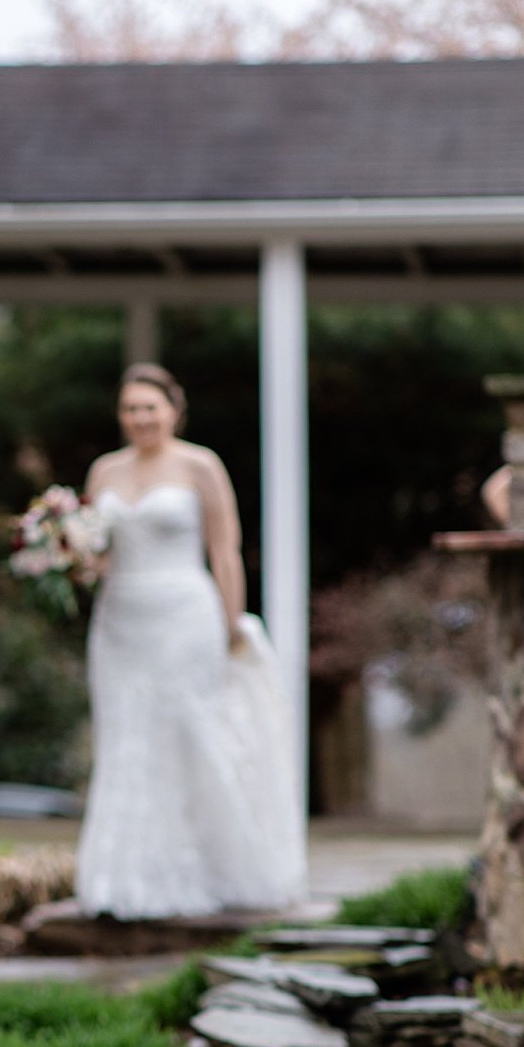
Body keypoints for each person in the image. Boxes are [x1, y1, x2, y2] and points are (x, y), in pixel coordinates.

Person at [74, 362, 304, 919]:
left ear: (174, 410)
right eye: (130, 409)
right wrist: (71, 556)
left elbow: (226, 549)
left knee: (190, 732)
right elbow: (95, 557)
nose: (140, 418)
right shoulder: (104, 471)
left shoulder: (201, 465)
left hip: (186, 616)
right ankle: (123, 879)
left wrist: (230, 625)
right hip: (120, 621)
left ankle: (214, 869)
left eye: (150, 407)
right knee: (126, 738)